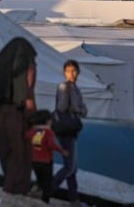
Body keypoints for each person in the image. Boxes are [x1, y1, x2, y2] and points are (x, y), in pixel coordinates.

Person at [0, 37, 37, 195]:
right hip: (17, 114)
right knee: (20, 154)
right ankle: (13, 188)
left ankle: (10, 185)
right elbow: (28, 89)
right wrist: (32, 115)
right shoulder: (26, 63)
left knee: (5, 152)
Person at [52, 59, 87, 204]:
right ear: (64, 73)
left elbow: (84, 111)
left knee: (73, 167)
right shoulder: (64, 86)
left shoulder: (76, 89)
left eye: (73, 71)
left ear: (78, 72)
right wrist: (68, 96)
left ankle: (74, 198)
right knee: (69, 167)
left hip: (71, 130)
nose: (71, 74)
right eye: (68, 71)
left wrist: (77, 109)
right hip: (66, 130)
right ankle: (46, 190)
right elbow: (61, 107)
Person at [27, 110, 67, 204]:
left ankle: (35, 190)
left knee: (40, 179)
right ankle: (45, 201)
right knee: (47, 184)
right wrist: (62, 151)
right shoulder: (49, 132)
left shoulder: (33, 131)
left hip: (34, 161)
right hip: (46, 162)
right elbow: (51, 144)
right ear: (47, 121)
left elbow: (26, 136)